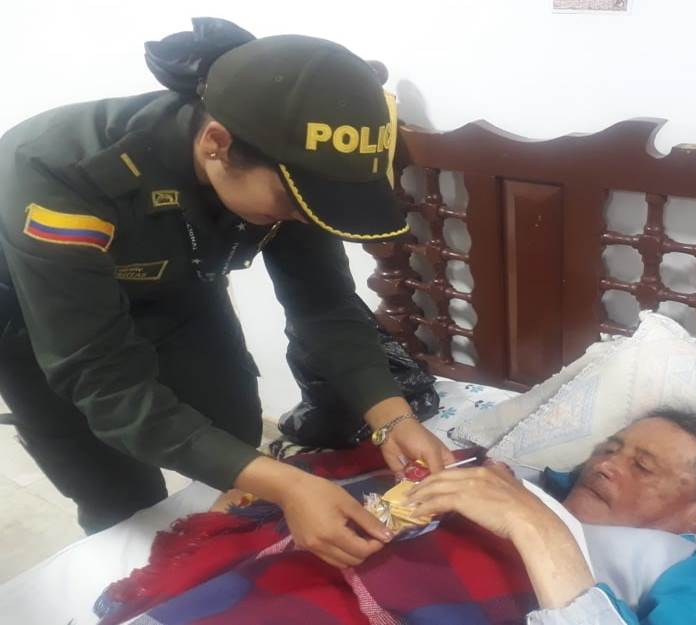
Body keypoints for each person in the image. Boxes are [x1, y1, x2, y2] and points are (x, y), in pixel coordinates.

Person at [0, 18, 454, 568]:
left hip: (178, 294)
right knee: (120, 498)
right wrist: (289, 485)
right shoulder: (62, 175)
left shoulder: (292, 170)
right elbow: (103, 379)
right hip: (37, 323)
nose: (300, 217)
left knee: (234, 440)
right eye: (292, 204)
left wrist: (393, 417)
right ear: (216, 143)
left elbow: (324, 305)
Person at [407, 411, 696, 625]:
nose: (604, 465)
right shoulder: (512, 481)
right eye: (607, 450)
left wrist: (533, 525)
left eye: (643, 467)